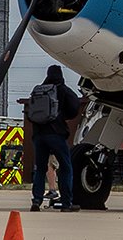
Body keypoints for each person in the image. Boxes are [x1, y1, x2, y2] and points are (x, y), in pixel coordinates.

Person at [28, 64, 80, 212]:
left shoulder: (39, 90)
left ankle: (36, 200)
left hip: (39, 135)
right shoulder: (62, 89)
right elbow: (75, 106)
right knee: (65, 167)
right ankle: (66, 203)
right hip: (56, 134)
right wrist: (63, 116)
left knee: (40, 169)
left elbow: (30, 112)